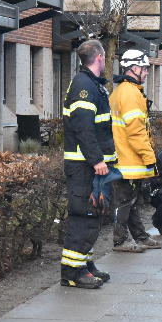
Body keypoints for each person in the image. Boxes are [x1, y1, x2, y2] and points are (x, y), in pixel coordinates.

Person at [60, 39, 115, 289]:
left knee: (94, 215)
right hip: (85, 165)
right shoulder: (84, 85)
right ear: (100, 57)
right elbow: (83, 126)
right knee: (84, 215)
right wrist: (97, 160)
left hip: (91, 165)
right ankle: (72, 272)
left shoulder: (90, 84)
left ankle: (85, 265)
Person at [109, 49, 162, 252]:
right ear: (134, 68)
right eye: (145, 68)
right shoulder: (130, 94)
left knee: (130, 200)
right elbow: (136, 131)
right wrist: (150, 158)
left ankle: (139, 236)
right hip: (128, 159)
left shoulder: (125, 90)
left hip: (125, 157)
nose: (147, 72)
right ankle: (120, 240)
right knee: (125, 201)